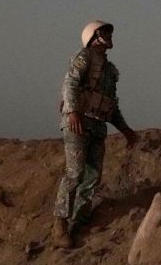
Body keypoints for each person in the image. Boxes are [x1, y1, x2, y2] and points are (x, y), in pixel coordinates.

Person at [51, 20, 138, 249]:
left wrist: (126, 130)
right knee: (75, 173)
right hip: (78, 123)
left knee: (92, 178)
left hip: (98, 126)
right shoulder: (84, 57)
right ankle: (59, 224)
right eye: (104, 32)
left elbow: (110, 105)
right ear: (93, 36)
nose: (109, 36)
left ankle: (79, 221)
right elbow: (70, 83)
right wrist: (72, 112)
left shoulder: (110, 70)